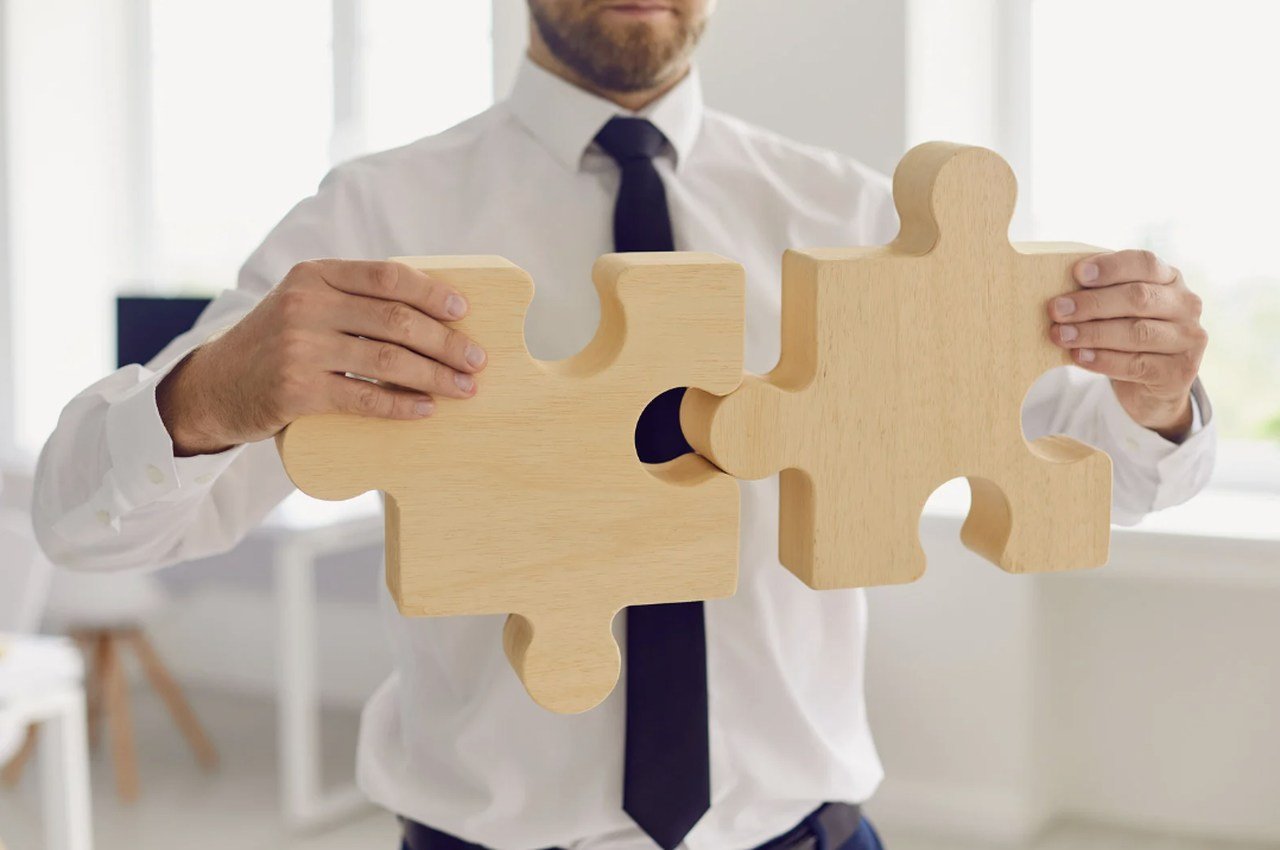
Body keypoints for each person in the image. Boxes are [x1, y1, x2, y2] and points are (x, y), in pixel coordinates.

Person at [31, 2, 1216, 849]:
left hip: (804, 836)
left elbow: (1109, 470)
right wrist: (205, 396)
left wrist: (1155, 393)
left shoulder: (856, 216)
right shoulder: (372, 218)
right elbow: (86, 529)